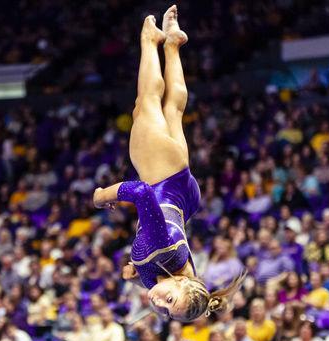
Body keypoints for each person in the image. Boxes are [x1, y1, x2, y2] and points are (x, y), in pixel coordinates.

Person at [93, 5, 245, 322]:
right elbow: (140, 193)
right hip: (160, 181)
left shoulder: (168, 275)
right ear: (183, 281)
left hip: (183, 194)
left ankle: (173, 44)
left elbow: (158, 274)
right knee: (146, 103)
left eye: (165, 311)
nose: (159, 303)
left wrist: (136, 273)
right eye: (169, 301)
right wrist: (103, 195)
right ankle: (151, 39)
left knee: (173, 110)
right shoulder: (162, 250)